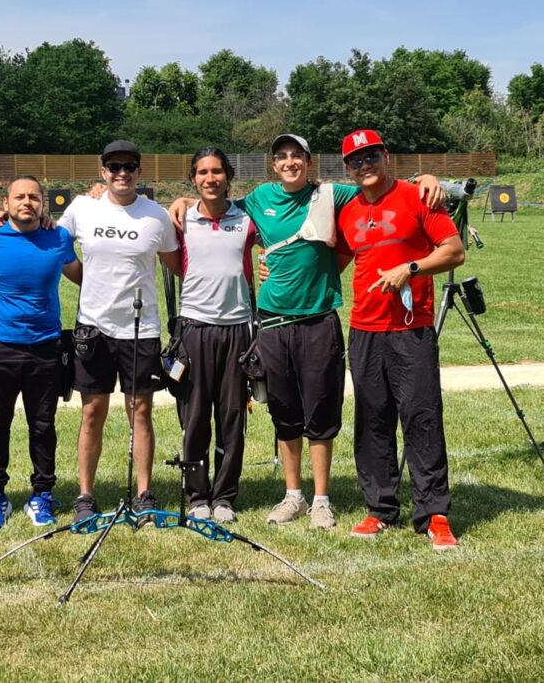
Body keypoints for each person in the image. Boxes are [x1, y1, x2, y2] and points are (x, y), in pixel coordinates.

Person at [172, 134, 440, 530]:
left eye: (297, 156)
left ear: (309, 163)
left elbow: (379, 187)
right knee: (285, 414)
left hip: (319, 321)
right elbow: (215, 206)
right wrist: (179, 202)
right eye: (281, 156)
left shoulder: (333, 195)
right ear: (273, 165)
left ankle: (321, 500)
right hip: (272, 324)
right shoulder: (258, 201)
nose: (289, 162)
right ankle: (293, 495)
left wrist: (426, 177)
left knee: (321, 412)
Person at [335, 129, 465, 550]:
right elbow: (331, 262)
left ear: (385, 156)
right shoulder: (347, 211)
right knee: (372, 420)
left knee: (421, 418)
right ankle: (380, 508)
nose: (365, 165)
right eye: (355, 160)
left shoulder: (417, 197)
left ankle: (434, 513)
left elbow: (454, 250)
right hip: (364, 330)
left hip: (411, 330)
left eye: (371, 156)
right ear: (347, 168)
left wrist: (410, 268)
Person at [58, 140, 182, 524]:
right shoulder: (82, 208)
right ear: (103, 170)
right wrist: (87, 280)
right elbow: (54, 245)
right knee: (92, 412)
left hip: (140, 329)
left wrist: (189, 207)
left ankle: (144, 493)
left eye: (129, 166)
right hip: (93, 327)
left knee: (140, 411)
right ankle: (85, 495)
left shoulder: (155, 216)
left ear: (139, 172)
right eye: (114, 167)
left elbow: (178, 264)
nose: (122, 173)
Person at [0, 175, 82, 531]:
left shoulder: (58, 238)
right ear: (6, 203)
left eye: (34, 197)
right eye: (19, 197)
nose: (27, 202)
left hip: (46, 345)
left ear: (44, 204)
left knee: (43, 425)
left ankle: (42, 494)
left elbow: (83, 276)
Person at [171, 148, 257, 523]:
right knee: (194, 418)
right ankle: (196, 495)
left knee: (232, 417)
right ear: (193, 179)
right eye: (203, 172)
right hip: (193, 330)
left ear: (228, 176)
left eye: (217, 171)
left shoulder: (248, 219)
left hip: (238, 330)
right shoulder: (180, 219)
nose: (210, 178)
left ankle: (223, 496)